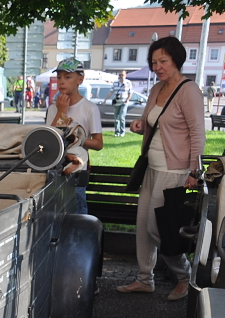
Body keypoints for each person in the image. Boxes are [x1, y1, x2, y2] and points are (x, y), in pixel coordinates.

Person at [116, 36, 204, 302]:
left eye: (163, 61)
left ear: (176, 59)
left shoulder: (189, 90)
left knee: (159, 229)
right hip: (151, 168)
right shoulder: (156, 89)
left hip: (174, 171)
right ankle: (145, 279)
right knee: (143, 228)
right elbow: (151, 122)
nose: (157, 67)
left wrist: (195, 172)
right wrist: (139, 125)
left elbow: (197, 134)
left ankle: (184, 276)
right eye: (154, 62)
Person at [45, 57, 103, 214]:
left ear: (80, 80)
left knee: (76, 211)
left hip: (76, 171)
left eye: (67, 77)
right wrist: (61, 111)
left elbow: (98, 143)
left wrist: (78, 139)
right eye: (59, 77)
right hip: (55, 170)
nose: (61, 81)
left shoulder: (89, 108)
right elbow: (49, 140)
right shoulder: (54, 108)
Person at [110, 71, 133, 137]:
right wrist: (105, 99)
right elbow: (111, 91)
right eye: (120, 75)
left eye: (122, 75)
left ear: (125, 75)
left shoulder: (128, 82)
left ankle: (122, 132)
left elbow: (131, 92)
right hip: (116, 102)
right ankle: (117, 132)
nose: (121, 76)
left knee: (121, 117)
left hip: (124, 102)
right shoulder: (115, 83)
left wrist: (127, 100)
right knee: (116, 118)